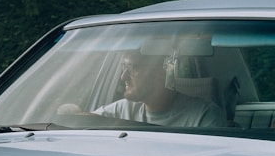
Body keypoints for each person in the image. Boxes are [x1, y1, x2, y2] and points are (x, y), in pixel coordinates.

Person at [94, 52, 227, 128]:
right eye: (123, 68)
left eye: (132, 68)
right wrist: (73, 111)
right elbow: (83, 120)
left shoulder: (203, 117)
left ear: (161, 73)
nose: (123, 77)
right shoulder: (122, 109)